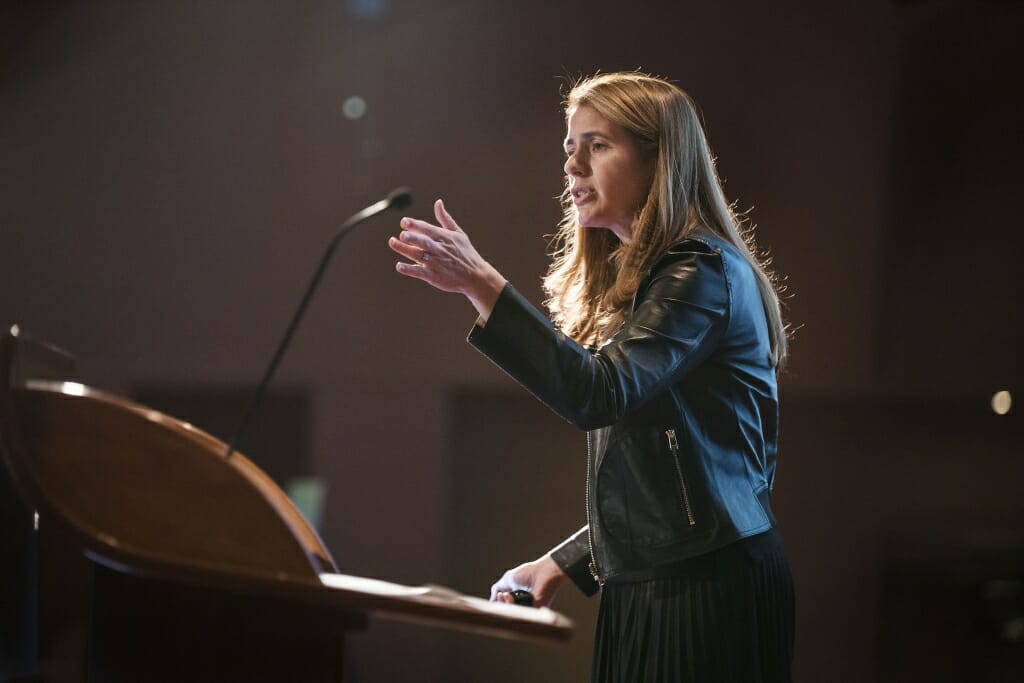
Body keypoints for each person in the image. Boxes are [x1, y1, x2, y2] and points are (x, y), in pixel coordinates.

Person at [388, 71, 794, 682]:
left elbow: (598, 394)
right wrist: (563, 563)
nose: (573, 165)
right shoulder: (655, 279)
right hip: (659, 579)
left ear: (661, 160)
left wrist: (483, 285)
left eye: (598, 145)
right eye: (569, 147)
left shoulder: (700, 273)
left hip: (706, 585)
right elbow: (654, 474)